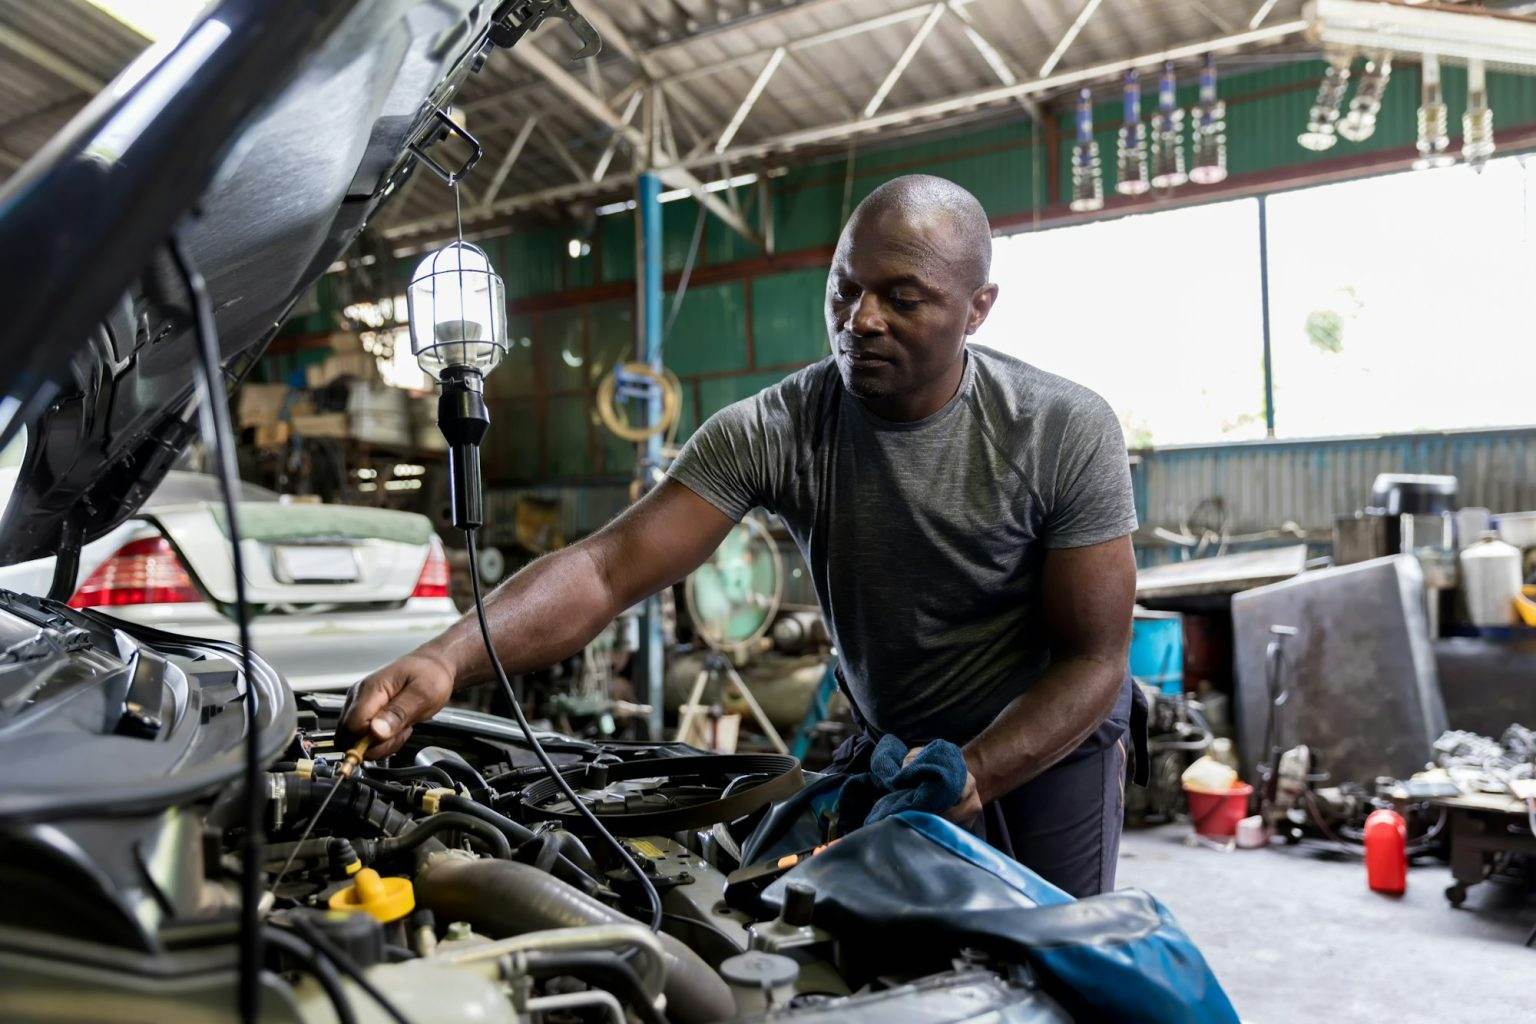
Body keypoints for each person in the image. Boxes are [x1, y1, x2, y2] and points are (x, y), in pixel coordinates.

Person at [342, 174, 1142, 898]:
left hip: (1047, 747)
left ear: (978, 308)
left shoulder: (1062, 430)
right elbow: (607, 570)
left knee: (1056, 958)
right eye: (844, 290)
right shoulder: (776, 428)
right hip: (895, 746)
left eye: (903, 297)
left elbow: (1094, 658)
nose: (861, 320)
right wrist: (447, 657)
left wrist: (978, 771)